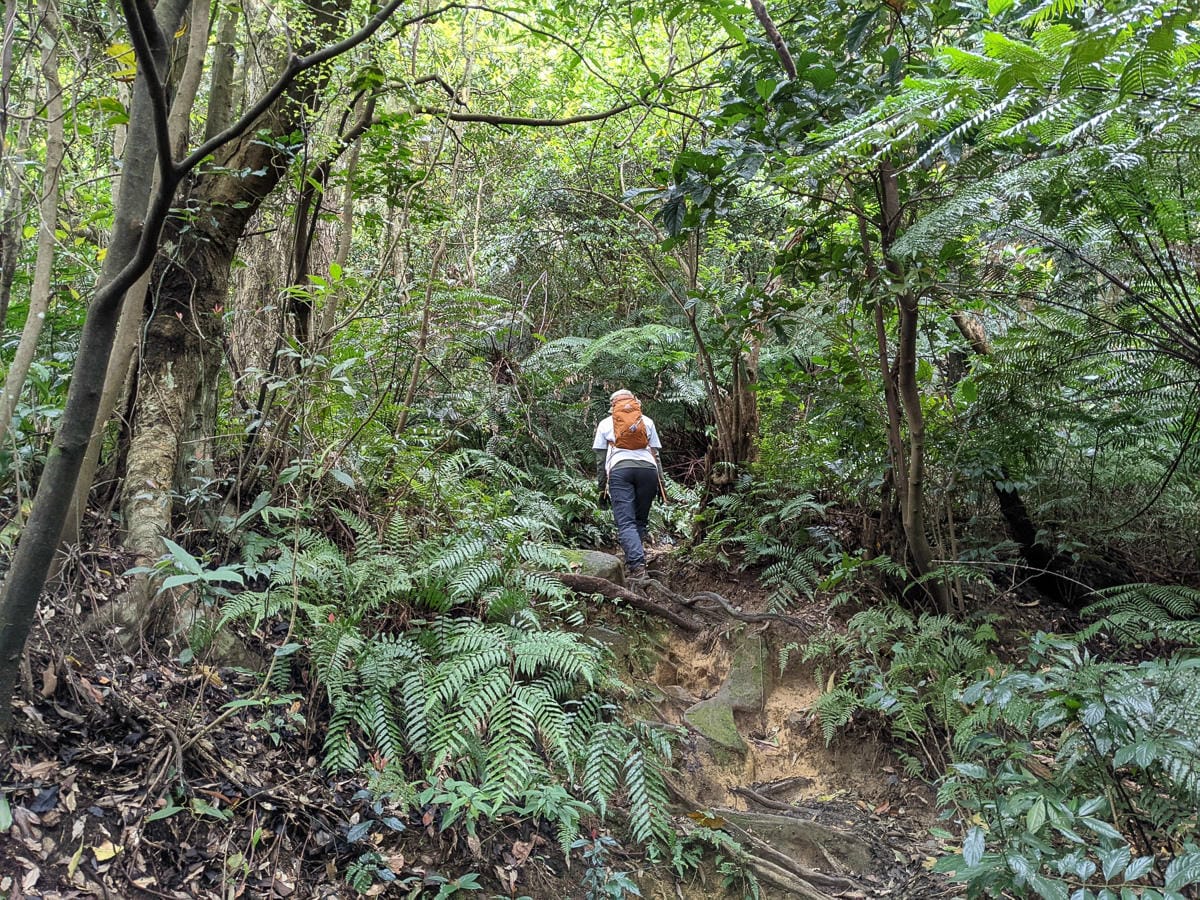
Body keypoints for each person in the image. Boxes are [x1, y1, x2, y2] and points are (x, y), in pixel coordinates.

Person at [593, 388, 663, 578]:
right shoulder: (647, 422)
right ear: (634, 403)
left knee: (626, 522)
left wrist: (601, 488)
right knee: (640, 519)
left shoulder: (605, 424)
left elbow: (600, 461)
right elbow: (655, 455)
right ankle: (636, 560)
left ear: (613, 406)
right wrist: (661, 485)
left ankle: (637, 566)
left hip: (620, 471)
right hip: (648, 472)